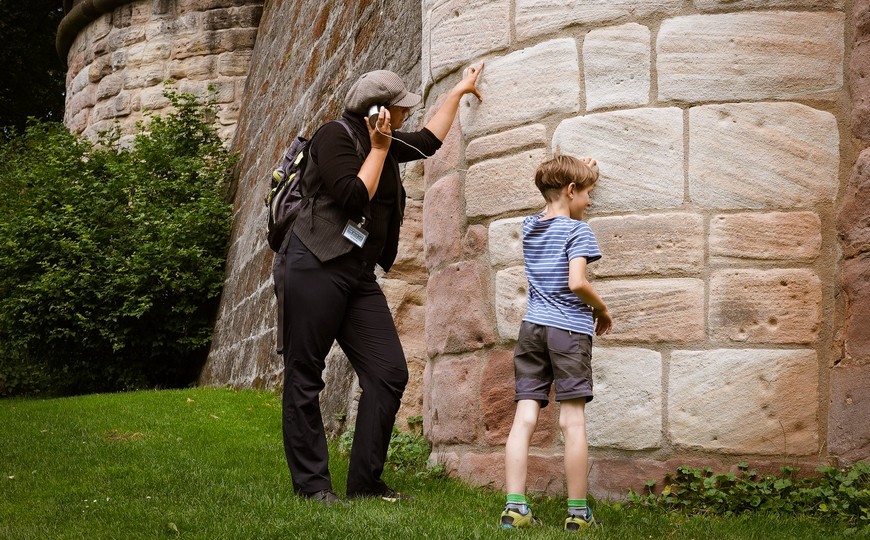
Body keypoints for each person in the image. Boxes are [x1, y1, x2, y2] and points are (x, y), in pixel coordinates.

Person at [280, 66, 483, 504]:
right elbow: (355, 195)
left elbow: (428, 143)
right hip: (314, 263)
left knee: (389, 372)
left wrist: (458, 90)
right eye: (398, 107)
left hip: (356, 274)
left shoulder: (388, 143)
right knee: (305, 375)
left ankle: (365, 484)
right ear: (377, 111)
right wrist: (376, 147)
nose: (403, 113)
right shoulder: (333, 137)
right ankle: (313, 487)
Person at [499, 155, 613, 530]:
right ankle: (578, 514)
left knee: (525, 416)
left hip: (531, 330)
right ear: (570, 191)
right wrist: (602, 310)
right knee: (572, 421)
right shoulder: (579, 232)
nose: (590, 202)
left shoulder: (531, 226)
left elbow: (551, 203)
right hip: (567, 330)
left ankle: (515, 509)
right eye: (588, 194)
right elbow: (577, 282)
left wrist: (579, 173)